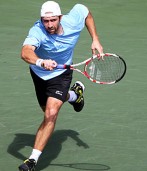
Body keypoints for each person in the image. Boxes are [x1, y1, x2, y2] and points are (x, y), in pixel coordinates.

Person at [18, 1, 103, 171]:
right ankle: (74, 96)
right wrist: (41, 62)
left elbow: (86, 12)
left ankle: (32, 160)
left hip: (61, 74)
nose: (49, 25)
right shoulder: (37, 31)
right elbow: (25, 52)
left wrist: (95, 39)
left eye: (53, 20)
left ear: (60, 17)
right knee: (46, 108)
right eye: (45, 20)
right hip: (39, 73)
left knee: (51, 113)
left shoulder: (72, 20)